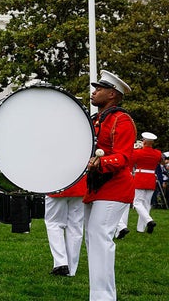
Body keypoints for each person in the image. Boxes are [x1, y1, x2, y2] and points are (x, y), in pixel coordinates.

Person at [84, 70, 136, 301]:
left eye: (99, 89)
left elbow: (124, 157)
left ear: (112, 94)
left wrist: (99, 162)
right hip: (96, 188)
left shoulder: (122, 120)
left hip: (114, 187)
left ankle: (103, 298)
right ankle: (100, 295)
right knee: (93, 240)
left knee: (99, 238)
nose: (94, 92)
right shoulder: (96, 119)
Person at [44, 175, 87, 276]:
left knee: (54, 224)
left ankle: (61, 263)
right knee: (75, 227)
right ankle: (71, 269)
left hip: (56, 184)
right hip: (80, 185)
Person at [130, 132, 162, 233]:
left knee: (137, 202)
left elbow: (131, 161)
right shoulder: (157, 153)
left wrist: (135, 149)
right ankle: (141, 228)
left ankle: (149, 220)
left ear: (144, 141)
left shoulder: (138, 152)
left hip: (140, 177)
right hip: (151, 177)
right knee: (146, 203)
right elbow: (160, 161)